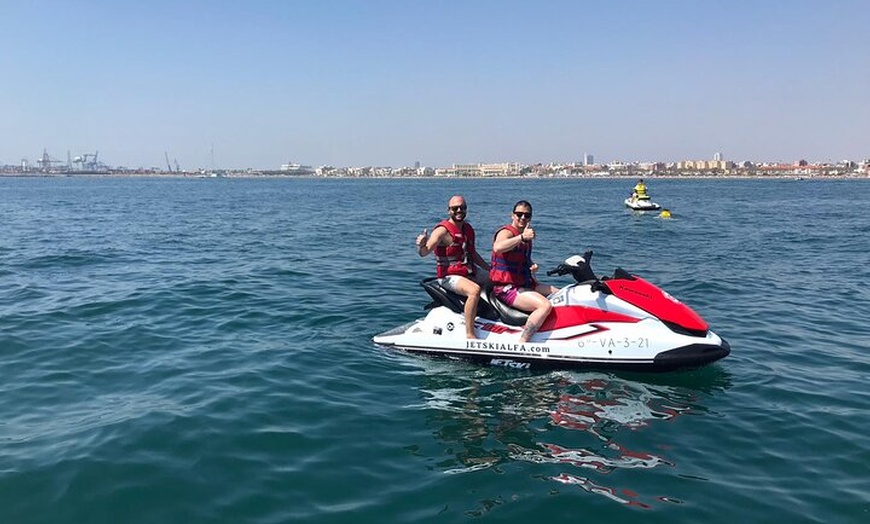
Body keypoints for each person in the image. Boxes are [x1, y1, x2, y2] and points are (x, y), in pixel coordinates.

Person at [416, 195, 490, 339]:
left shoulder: (468, 229)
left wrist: (490, 269)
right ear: (448, 210)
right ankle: (469, 333)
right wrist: (421, 244)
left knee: (497, 279)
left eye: (462, 208)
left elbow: (473, 254)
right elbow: (424, 252)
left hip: (468, 271)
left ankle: (490, 317)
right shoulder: (442, 231)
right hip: (449, 277)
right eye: (455, 208)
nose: (459, 210)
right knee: (474, 291)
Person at [489, 200, 558, 343]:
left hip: (524, 283)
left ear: (530, 218)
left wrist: (532, 266)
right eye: (519, 214)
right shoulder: (506, 232)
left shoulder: (527, 237)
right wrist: (521, 237)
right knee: (545, 305)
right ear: (512, 215)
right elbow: (498, 247)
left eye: (526, 215)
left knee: (561, 293)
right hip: (506, 288)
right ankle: (523, 342)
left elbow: (520, 260)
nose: (522, 218)